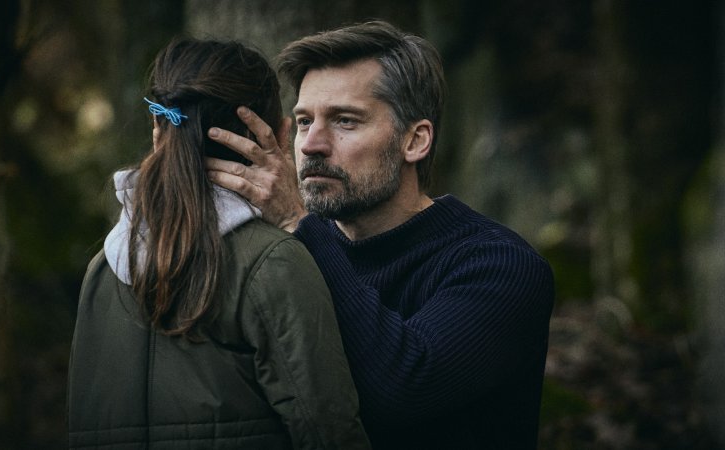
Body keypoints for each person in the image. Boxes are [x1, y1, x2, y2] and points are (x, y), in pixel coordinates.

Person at [205, 21, 555, 449]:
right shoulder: (285, 250)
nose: (311, 144)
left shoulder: (502, 265)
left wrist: (297, 222)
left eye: (345, 121)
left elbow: (403, 390)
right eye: (304, 121)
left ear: (415, 141)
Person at [66, 37, 370, 450]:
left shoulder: (101, 269)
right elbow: (330, 432)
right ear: (280, 135)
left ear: (157, 129)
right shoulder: (273, 263)